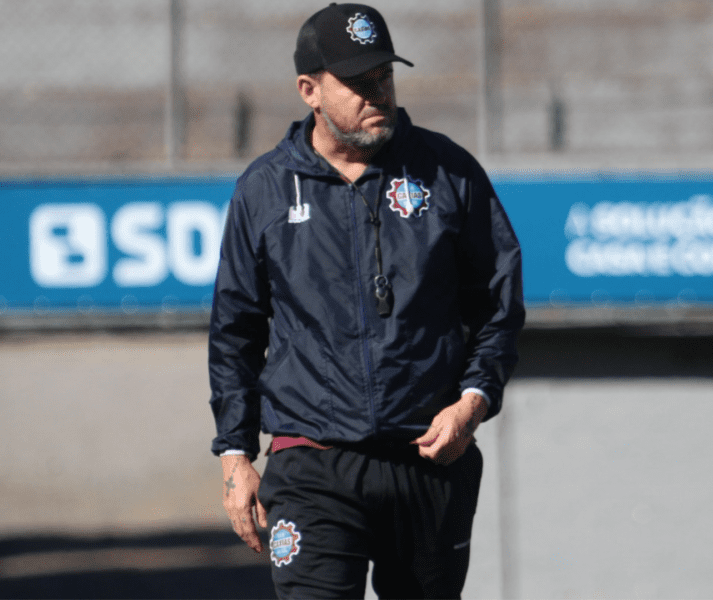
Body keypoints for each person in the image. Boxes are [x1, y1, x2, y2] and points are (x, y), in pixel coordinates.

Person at [207, 3, 524, 598]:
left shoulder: (448, 172)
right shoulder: (264, 190)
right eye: (358, 82)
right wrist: (234, 453)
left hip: (429, 457)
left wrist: (473, 401)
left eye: (385, 77)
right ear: (310, 91)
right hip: (311, 464)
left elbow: (497, 306)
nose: (378, 94)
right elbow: (235, 333)